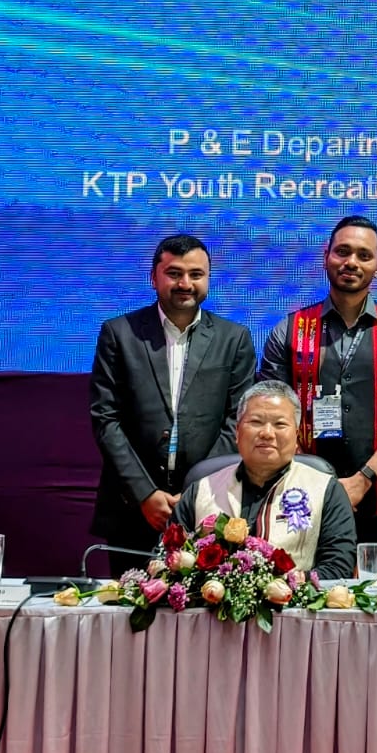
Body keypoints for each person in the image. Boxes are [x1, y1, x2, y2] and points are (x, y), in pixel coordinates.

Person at [260, 215, 377, 577]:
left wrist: (362, 479)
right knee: (299, 597)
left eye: (364, 255)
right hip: (300, 501)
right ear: (326, 255)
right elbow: (270, 416)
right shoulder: (288, 330)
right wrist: (318, 482)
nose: (351, 262)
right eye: (343, 251)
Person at [89, 234, 256, 561]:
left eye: (196, 274)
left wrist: (196, 490)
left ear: (208, 279)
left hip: (209, 505)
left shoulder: (234, 338)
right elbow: (106, 419)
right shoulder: (119, 333)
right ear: (154, 277)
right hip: (132, 507)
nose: (185, 284)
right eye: (174, 273)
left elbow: (237, 420)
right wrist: (145, 493)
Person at [172, 382, 357, 580]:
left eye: (280, 424)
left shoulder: (326, 490)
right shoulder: (200, 491)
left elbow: (338, 568)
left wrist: (282, 586)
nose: (267, 433)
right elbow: (167, 559)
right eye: (256, 422)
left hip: (294, 599)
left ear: (296, 436)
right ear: (237, 433)